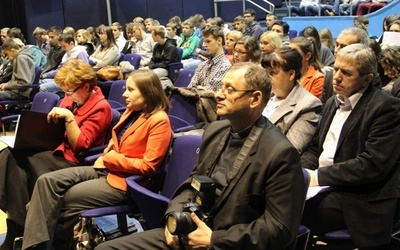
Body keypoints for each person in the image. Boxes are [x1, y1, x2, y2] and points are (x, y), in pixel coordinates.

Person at [96, 62, 306, 250]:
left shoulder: (280, 153)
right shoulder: (216, 130)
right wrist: (174, 217)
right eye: (221, 87)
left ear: (255, 99)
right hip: (189, 231)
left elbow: (279, 228)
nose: (218, 95)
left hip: (227, 242)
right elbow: (192, 182)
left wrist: (214, 239)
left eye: (229, 89)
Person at [22, 68, 172, 250]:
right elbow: (118, 142)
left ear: (149, 92)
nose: (124, 94)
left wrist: (111, 158)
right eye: (125, 88)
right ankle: (36, 244)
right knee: (46, 181)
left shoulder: (159, 120)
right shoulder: (132, 111)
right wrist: (108, 153)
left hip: (126, 183)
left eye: (131, 90)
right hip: (105, 168)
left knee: (64, 198)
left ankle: (45, 246)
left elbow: (149, 166)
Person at [0, 59, 112, 249]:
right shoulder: (72, 98)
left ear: (86, 87)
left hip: (75, 161)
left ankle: (19, 230)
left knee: (23, 163)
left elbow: (81, 146)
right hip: (55, 150)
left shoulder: (102, 108)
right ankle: (19, 226)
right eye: (65, 91)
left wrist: (69, 118)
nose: (66, 96)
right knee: (8, 156)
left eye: (70, 91)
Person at [301, 43, 400, 249]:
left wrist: (315, 177)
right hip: (324, 184)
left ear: (367, 79)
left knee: (288, 209)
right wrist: (298, 170)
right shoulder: (332, 102)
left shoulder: (386, 107)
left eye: (346, 73)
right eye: (336, 69)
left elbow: (371, 166)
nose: (336, 77)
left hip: (359, 196)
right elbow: (315, 149)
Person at [261, 47, 322, 154]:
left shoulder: (308, 104)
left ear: (291, 74)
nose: (267, 77)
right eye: (266, 73)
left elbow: (289, 150)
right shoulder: (263, 93)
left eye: (273, 73)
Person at [188, 27, 231, 92]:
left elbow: (211, 92)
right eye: (204, 42)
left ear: (219, 41)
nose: (205, 45)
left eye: (208, 41)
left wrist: (199, 87)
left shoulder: (225, 66)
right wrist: (201, 88)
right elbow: (191, 86)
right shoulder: (203, 64)